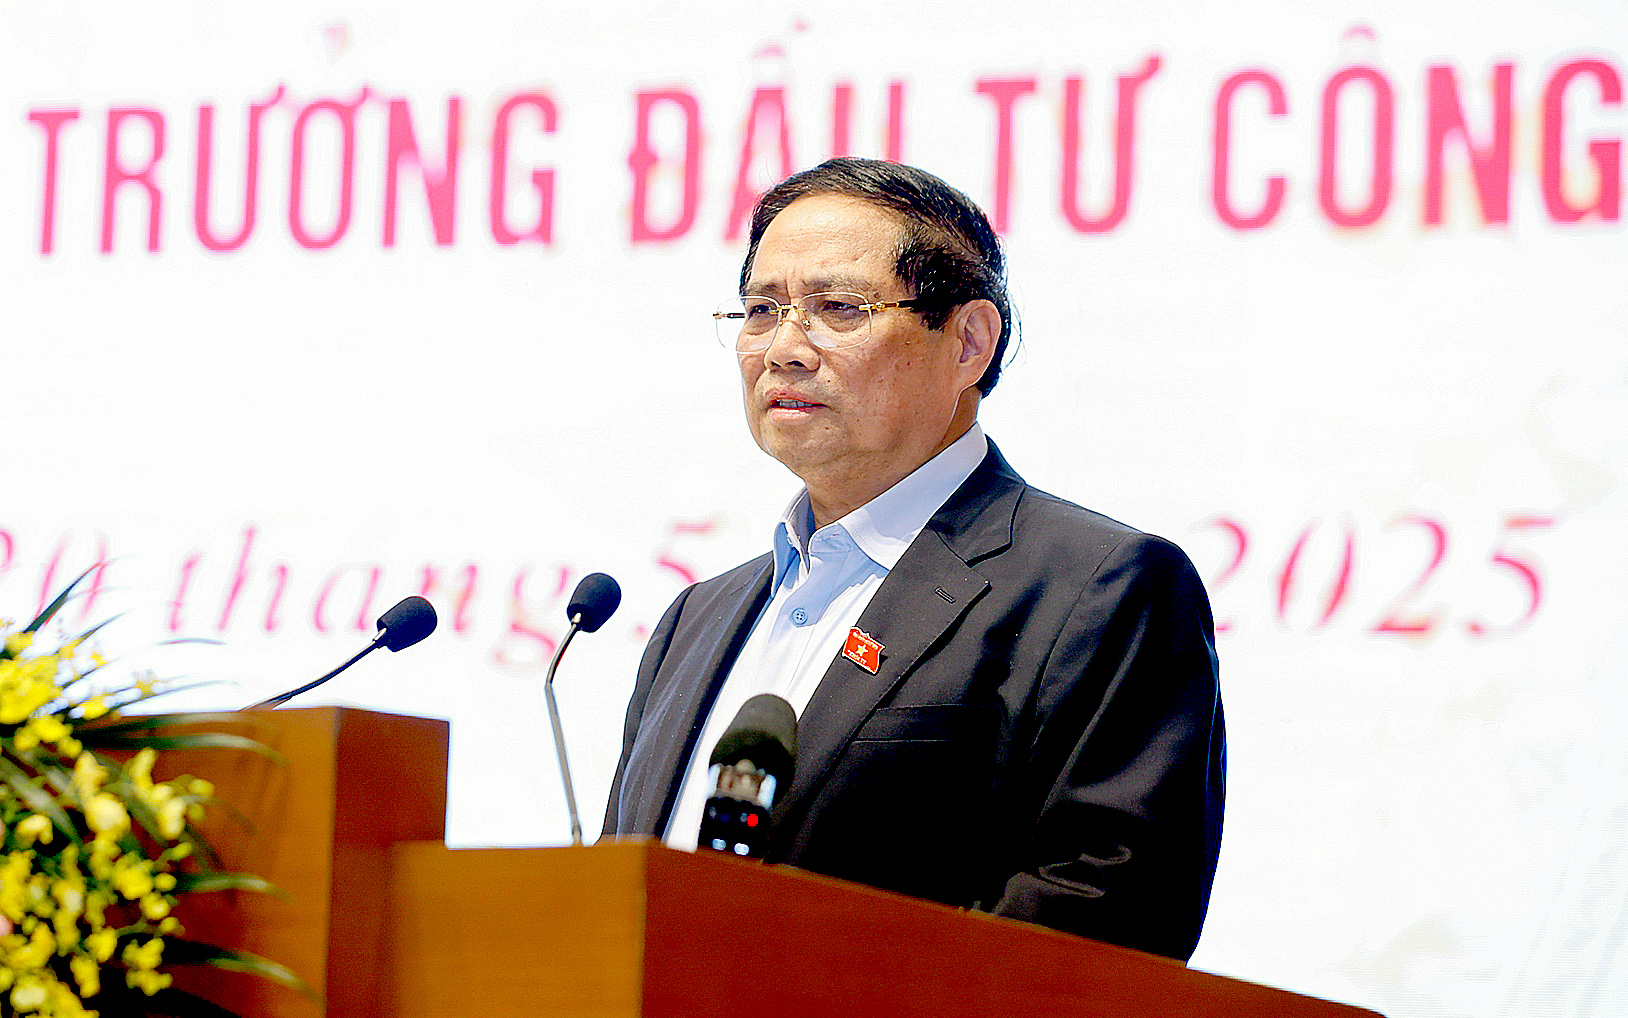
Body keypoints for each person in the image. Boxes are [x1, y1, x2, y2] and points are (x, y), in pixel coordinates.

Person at [602, 157, 1224, 962]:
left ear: (968, 342)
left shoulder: (1101, 589)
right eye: (761, 310)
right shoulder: (696, 619)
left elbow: (1107, 917)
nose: (783, 349)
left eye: (836, 308)